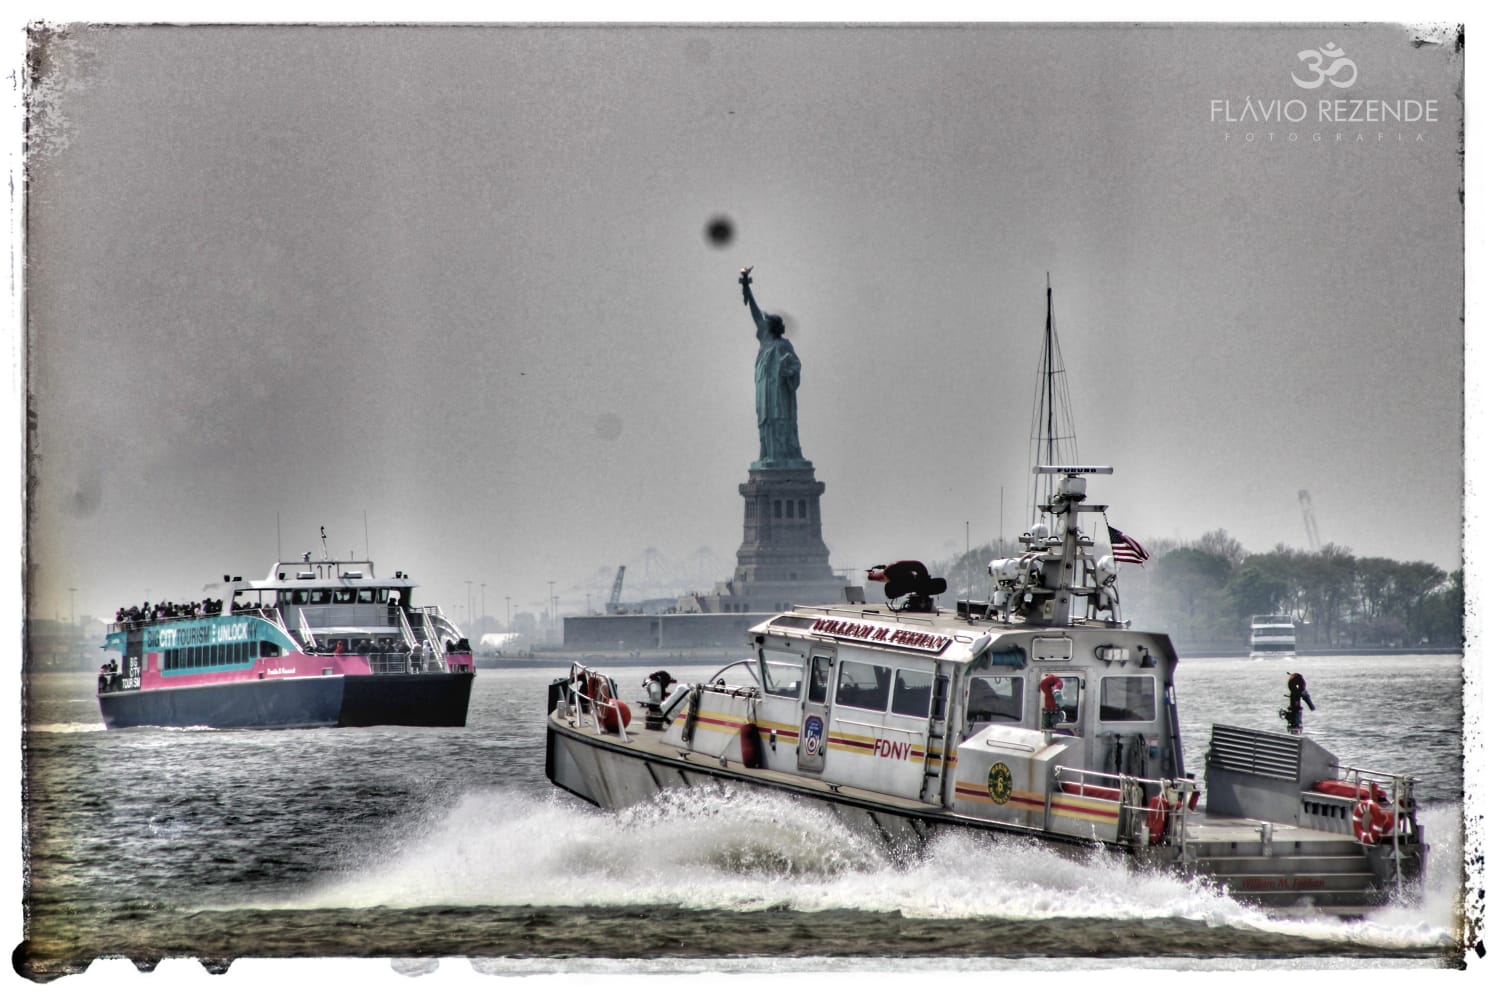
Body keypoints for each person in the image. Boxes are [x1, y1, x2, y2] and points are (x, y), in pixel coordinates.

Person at [739, 267, 807, 468]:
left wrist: (789, 371)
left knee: (779, 422)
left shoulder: (783, 346)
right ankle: (767, 453)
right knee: (765, 421)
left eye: (766, 324)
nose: (761, 326)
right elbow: (756, 315)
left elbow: (796, 365)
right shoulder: (765, 343)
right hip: (765, 394)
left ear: (772, 328)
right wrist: (747, 288)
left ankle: (782, 455)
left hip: (779, 396)